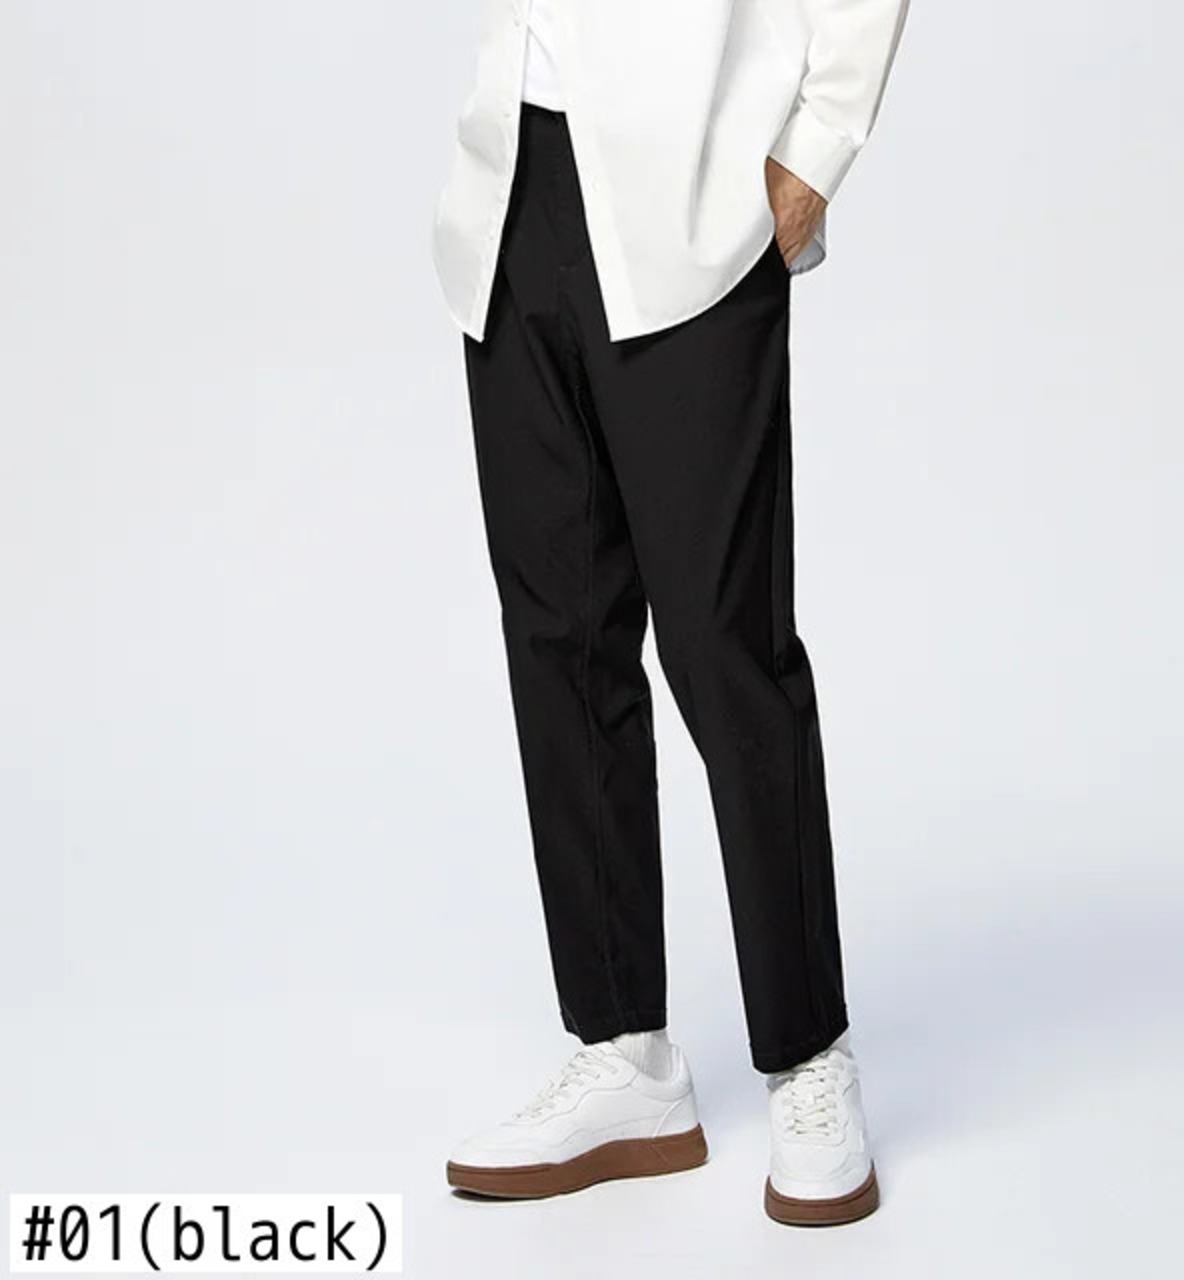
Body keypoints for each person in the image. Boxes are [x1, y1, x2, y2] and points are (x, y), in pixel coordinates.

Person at [431, 0, 909, 1226]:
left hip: (696, 185)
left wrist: (817, 144)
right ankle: (623, 1052)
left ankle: (807, 1054)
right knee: (561, 637)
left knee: (723, 645)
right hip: (513, 176)